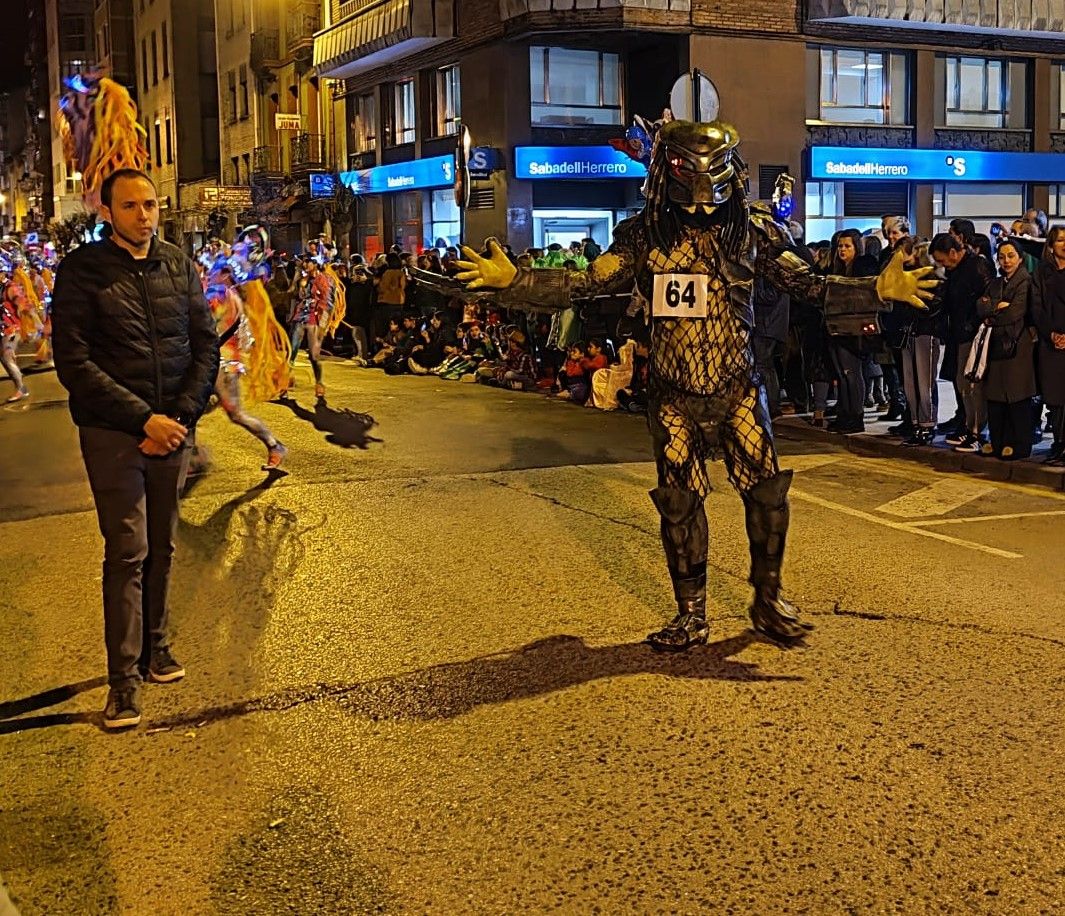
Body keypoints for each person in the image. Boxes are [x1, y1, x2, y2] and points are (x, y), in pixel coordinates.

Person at [51, 168, 219, 729]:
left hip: (172, 428)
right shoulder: (82, 271)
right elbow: (74, 362)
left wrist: (178, 418)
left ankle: (157, 648)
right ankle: (122, 682)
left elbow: (204, 346)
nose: (144, 215)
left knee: (165, 545)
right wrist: (142, 418)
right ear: (108, 211)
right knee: (128, 551)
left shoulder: (177, 262)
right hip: (113, 432)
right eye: (131, 206)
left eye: (150, 204)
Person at [930, 233, 993, 452]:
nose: (941, 264)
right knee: (961, 383)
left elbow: (986, 298)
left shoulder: (977, 266)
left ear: (954, 252)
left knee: (972, 385)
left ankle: (977, 432)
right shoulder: (954, 271)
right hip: (959, 334)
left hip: (974, 335)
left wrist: (972, 324)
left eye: (942, 259)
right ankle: (969, 427)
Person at [976, 239, 1037, 459]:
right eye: (1002, 257)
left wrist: (994, 311)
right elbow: (980, 307)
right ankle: (998, 440)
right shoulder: (995, 282)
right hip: (996, 346)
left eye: (1011, 256)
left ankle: (1018, 443)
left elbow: (1015, 313)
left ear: (1020, 258)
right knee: (995, 395)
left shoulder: (1026, 282)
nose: (1006, 261)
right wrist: (997, 307)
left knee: (1017, 396)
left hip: (1018, 346)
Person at [826, 229, 879, 434]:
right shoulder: (836, 268)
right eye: (840, 246)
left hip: (854, 329)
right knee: (842, 373)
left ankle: (855, 416)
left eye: (847, 246)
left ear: (857, 247)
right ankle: (844, 413)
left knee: (852, 372)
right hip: (836, 327)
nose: (842, 250)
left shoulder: (863, 265)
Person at [1031, 225, 1065, 465]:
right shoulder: (1042, 272)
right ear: (1051, 246)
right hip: (1049, 342)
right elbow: (1036, 306)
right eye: (1061, 240)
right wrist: (1051, 334)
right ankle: (1059, 442)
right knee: (1054, 396)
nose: (1064, 243)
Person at [0, 269, 31, 402]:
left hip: (11, 329)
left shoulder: (11, 288)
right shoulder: (2, 288)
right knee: (6, 359)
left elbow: (24, 305)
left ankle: (21, 389)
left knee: (6, 358)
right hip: (3, 329)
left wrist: (35, 322)